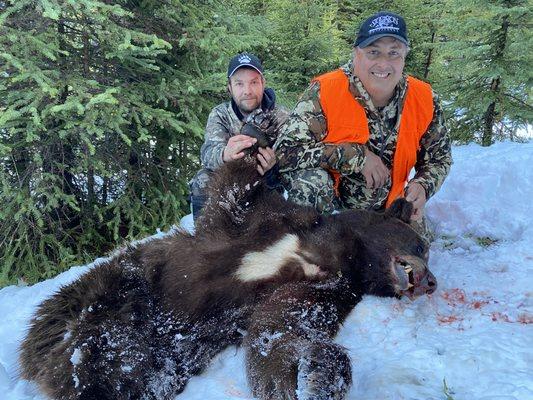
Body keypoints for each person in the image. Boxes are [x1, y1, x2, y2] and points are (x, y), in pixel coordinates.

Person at [274, 11, 452, 240]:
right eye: (373, 52)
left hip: (392, 209)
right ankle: (312, 251)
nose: (383, 63)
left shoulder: (423, 97)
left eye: (394, 53)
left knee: (409, 264)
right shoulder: (326, 91)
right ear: (356, 54)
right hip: (332, 211)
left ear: (404, 56)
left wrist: (423, 186)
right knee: (311, 182)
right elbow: (285, 152)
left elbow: (440, 158)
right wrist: (353, 156)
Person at [190, 52, 288, 220]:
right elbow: (207, 153)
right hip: (230, 180)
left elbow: (295, 160)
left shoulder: (282, 116)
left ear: (263, 83)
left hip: (267, 185)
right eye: (239, 84)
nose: (247, 91)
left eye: (254, 82)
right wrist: (224, 154)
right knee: (202, 179)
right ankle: (205, 237)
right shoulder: (220, 114)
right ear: (230, 87)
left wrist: (274, 167)